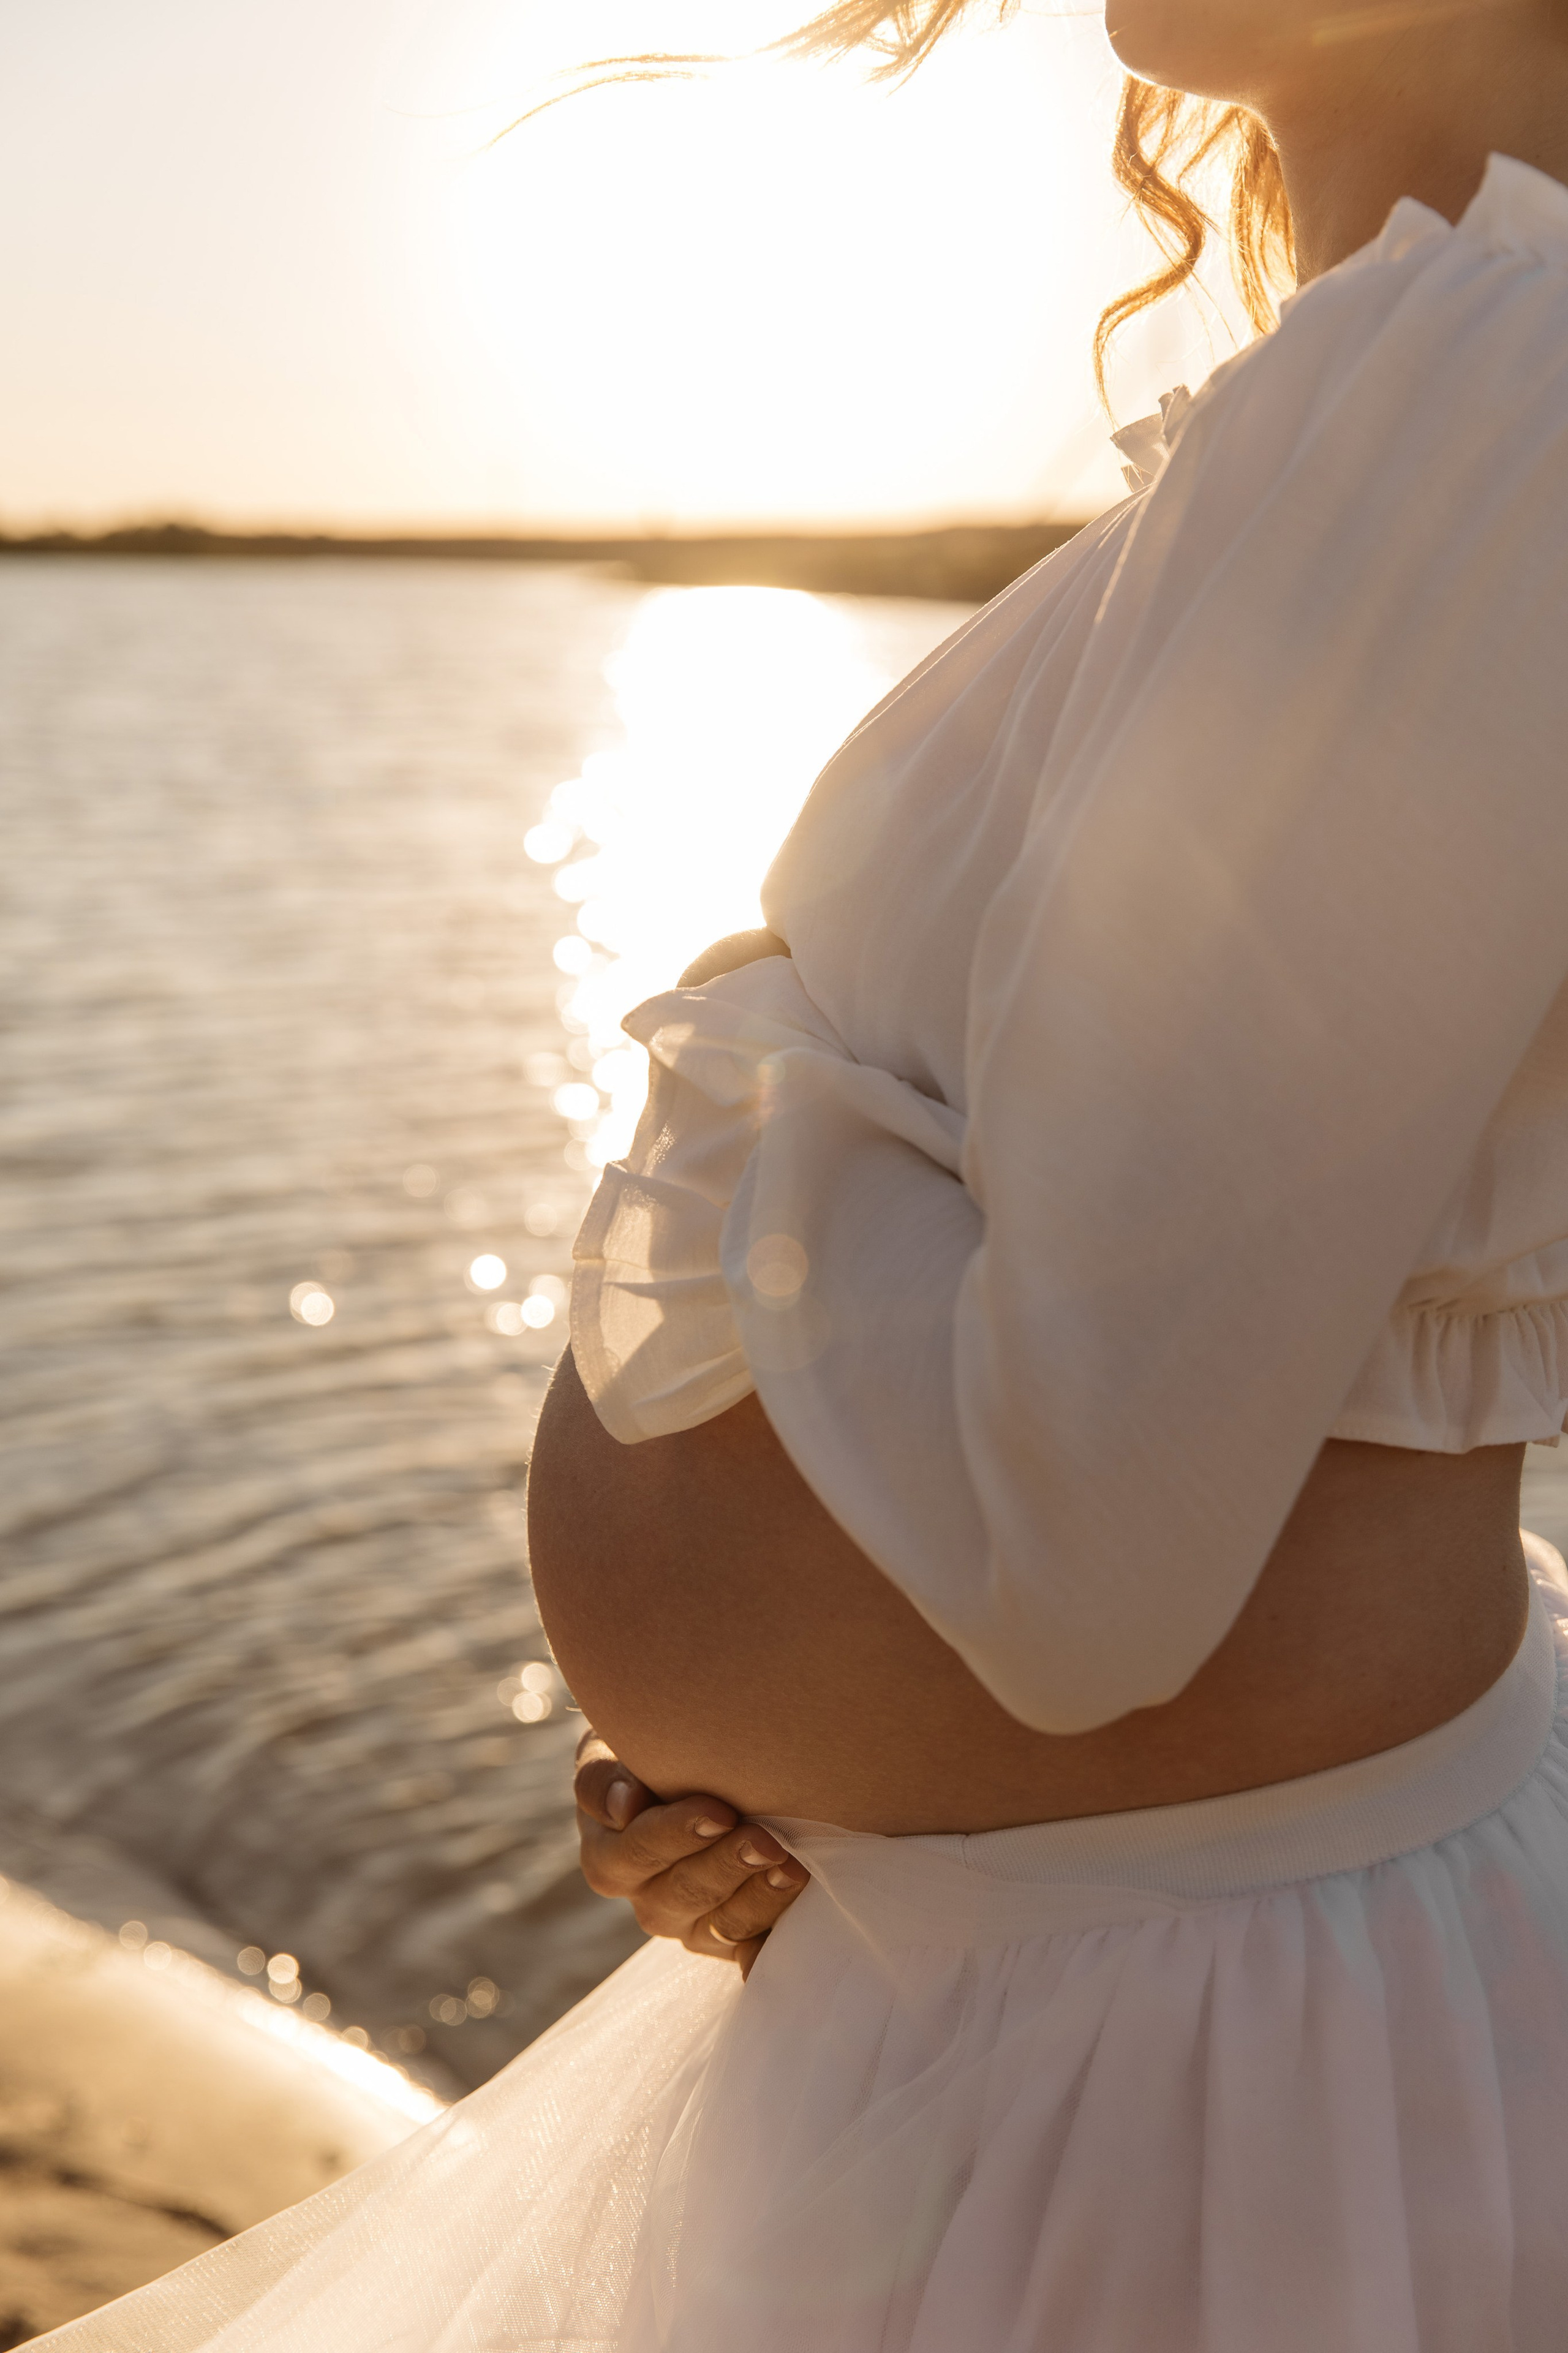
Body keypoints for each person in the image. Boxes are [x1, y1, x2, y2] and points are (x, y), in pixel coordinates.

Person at [36, 0, 1568, 2346]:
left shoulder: (1490, 381)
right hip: (1065, 1958)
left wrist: (749, 1042)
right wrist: (764, 1739)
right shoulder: (1398, 383)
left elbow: (1078, 1548)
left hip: (1188, 2051)